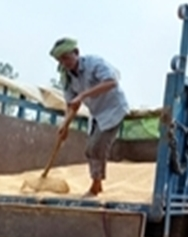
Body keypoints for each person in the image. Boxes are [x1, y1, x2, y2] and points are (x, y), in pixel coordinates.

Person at [50, 37, 130, 197]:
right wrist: (65, 124)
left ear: (76, 53)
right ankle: (97, 184)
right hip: (97, 113)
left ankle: (95, 185)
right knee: (89, 150)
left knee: (96, 147)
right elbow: (72, 104)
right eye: (60, 59)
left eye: (66, 57)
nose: (64, 62)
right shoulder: (66, 77)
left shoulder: (94, 63)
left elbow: (112, 82)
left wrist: (83, 95)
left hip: (113, 108)